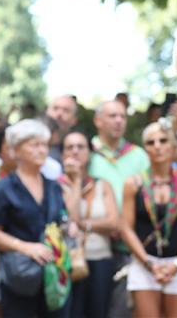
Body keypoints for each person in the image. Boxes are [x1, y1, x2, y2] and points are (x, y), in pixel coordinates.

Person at [0, 119, 70, 318]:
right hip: (19, 277)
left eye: (44, 145)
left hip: (53, 276)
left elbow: (62, 220)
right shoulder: (3, 189)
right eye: (34, 145)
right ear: (16, 150)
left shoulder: (53, 186)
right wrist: (24, 247)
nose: (41, 150)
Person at [121, 120, 177, 318]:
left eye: (163, 140)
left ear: (173, 145)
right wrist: (148, 264)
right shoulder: (133, 184)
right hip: (145, 263)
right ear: (145, 148)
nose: (157, 146)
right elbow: (126, 228)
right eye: (151, 142)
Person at [86, 100, 148, 318]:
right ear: (98, 121)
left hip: (130, 247)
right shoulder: (86, 153)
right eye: (113, 116)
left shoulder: (139, 156)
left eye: (122, 116)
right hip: (93, 247)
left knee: (124, 310)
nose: (119, 121)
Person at [60, 130, 118, 318]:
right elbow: (72, 217)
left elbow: (114, 222)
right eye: (70, 147)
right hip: (68, 262)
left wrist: (84, 225)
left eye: (81, 146)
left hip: (101, 259)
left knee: (99, 312)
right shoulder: (55, 186)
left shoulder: (103, 185)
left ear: (89, 152)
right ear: (62, 154)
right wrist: (76, 180)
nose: (75, 151)